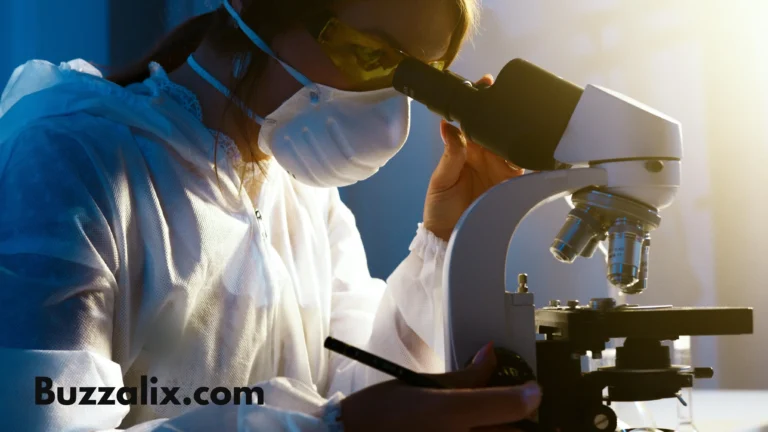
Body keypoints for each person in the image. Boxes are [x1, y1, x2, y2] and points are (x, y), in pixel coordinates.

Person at [0, 0, 540, 430]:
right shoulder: (71, 162)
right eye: (374, 54)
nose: (388, 107)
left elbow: (367, 386)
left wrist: (443, 239)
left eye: (420, 80)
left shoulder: (304, 194)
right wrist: (328, 428)